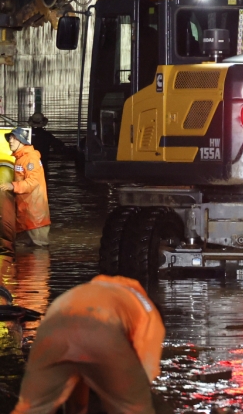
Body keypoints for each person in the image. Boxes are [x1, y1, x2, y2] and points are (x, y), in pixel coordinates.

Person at [11, 275, 165, 414]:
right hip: (99, 328)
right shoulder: (149, 313)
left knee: (33, 407)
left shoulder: (102, 289)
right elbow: (144, 374)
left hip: (54, 321)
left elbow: (78, 365)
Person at [0, 128, 50, 246]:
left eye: (13, 138)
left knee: (39, 248)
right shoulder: (20, 158)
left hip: (35, 216)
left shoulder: (30, 158)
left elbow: (33, 182)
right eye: (10, 138)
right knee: (22, 249)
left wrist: (12, 185)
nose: (10, 141)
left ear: (21, 141)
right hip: (25, 214)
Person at [28, 113, 65, 184]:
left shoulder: (25, 134)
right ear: (43, 122)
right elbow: (59, 146)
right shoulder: (47, 135)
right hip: (42, 164)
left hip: (28, 163)